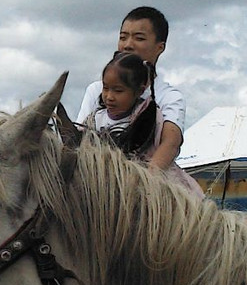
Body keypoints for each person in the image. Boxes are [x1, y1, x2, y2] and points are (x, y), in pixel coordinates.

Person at [75, 6, 186, 172]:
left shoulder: (169, 97)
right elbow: (79, 139)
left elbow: (170, 144)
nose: (127, 45)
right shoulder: (96, 90)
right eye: (123, 37)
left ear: (160, 47)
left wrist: (140, 185)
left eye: (139, 38)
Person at [86, 50, 204, 197]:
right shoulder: (95, 119)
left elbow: (161, 150)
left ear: (139, 91)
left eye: (118, 91)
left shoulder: (147, 118)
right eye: (105, 88)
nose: (109, 97)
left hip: (147, 187)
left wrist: (142, 182)